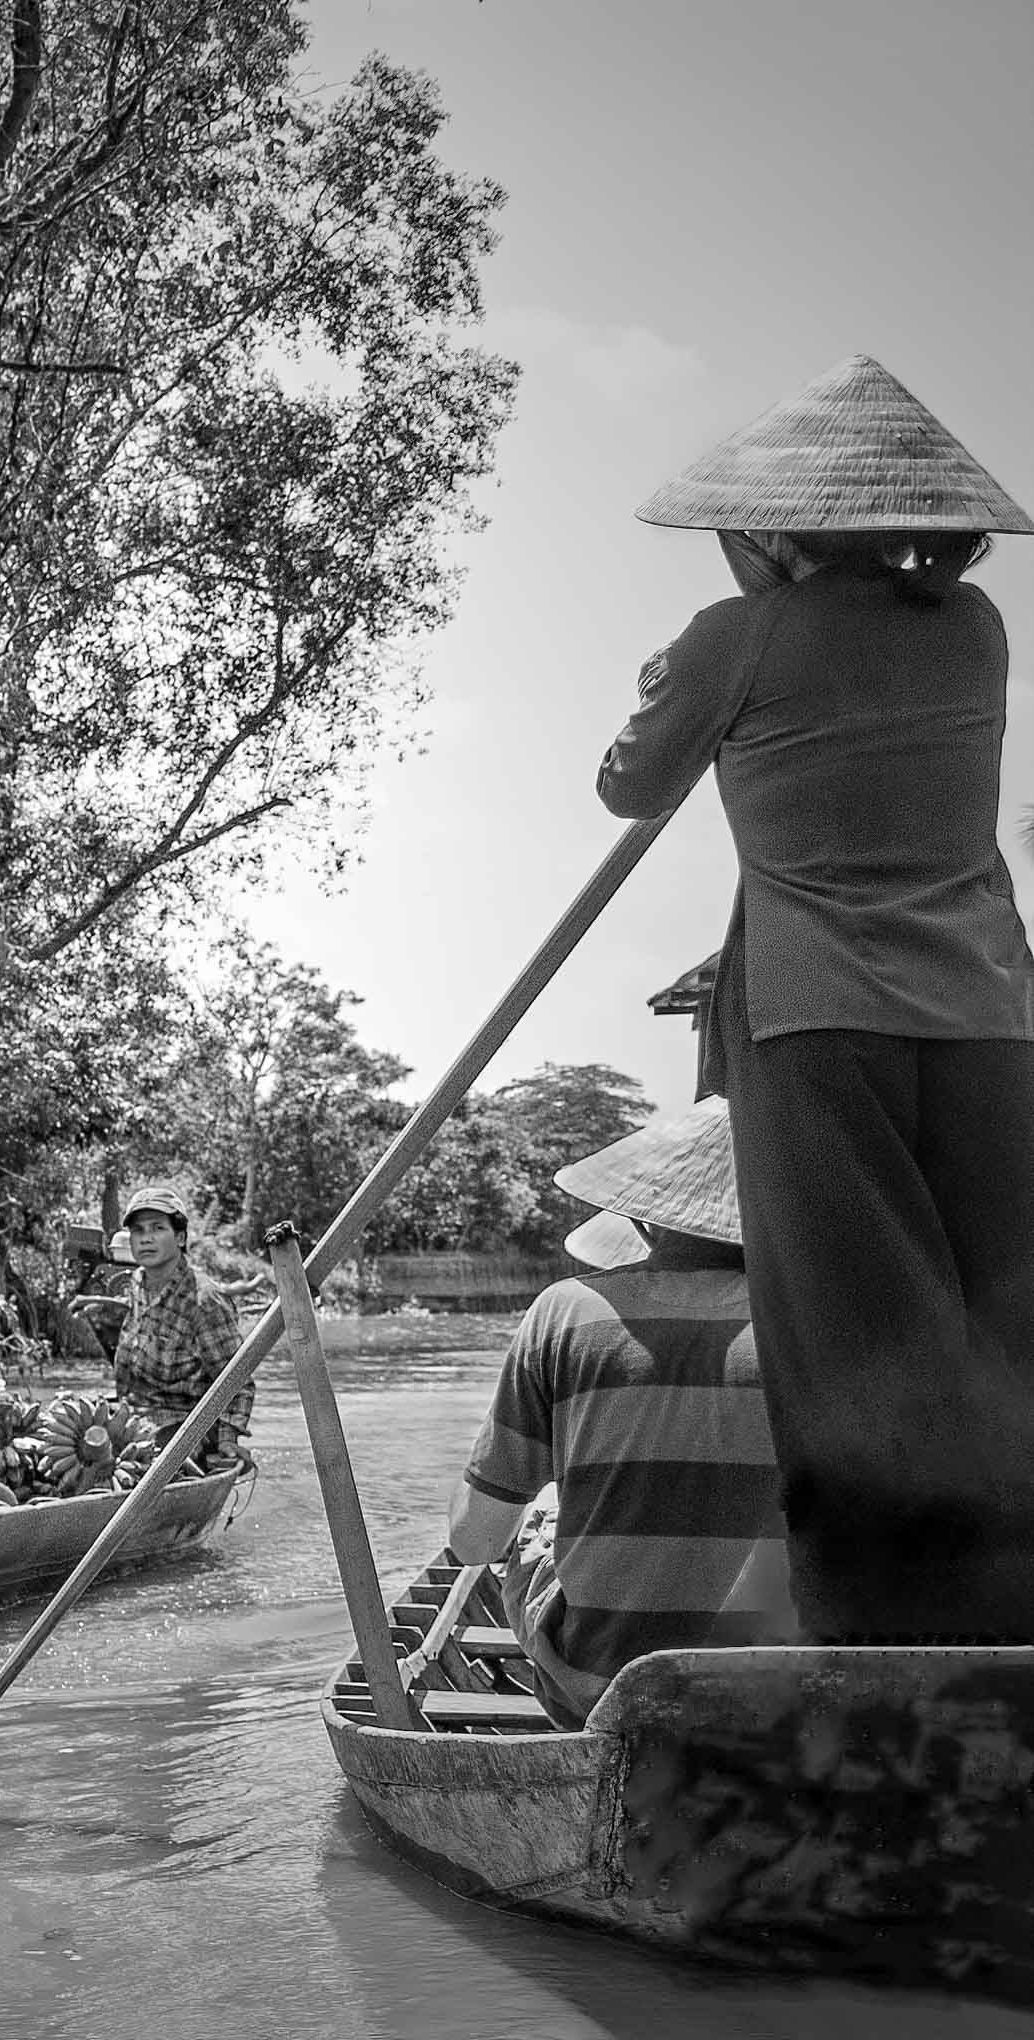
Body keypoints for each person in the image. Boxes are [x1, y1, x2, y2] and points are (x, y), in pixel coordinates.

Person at [597, 354, 1034, 1641]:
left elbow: (628, 784)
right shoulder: (973, 628)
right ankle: (1009, 1605)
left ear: (770, 532)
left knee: (849, 1329)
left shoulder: (735, 636)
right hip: (986, 1015)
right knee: (997, 1314)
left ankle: (880, 1630)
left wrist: (675, 671)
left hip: (815, 1020)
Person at [446, 1099, 790, 1724]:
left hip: (599, 1691)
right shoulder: (818, 1324)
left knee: (538, 1514)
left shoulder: (563, 1312)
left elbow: (474, 1542)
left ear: (642, 1221)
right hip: (782, 1690)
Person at [111, 1185, 251, 1464]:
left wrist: (227, 1439)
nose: (146, 1238)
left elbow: (237, 1380)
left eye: (157, 1228)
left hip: (183, 1429)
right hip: (136, 1416)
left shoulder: (204, 1301)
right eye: (138, 1230)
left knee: (137, 1457)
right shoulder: (138, 1282)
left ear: (180, 1237)